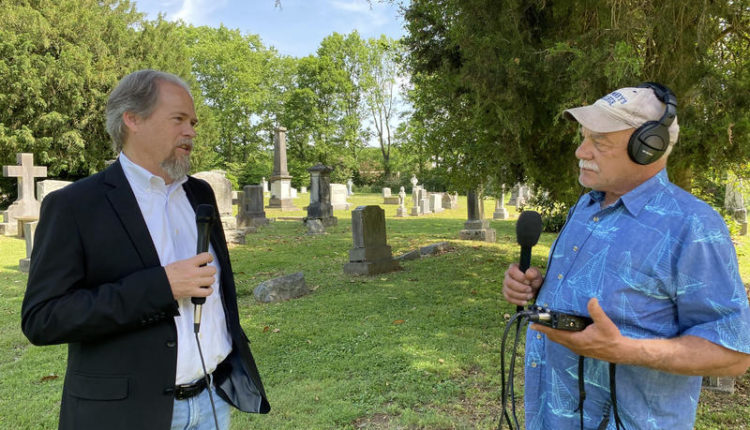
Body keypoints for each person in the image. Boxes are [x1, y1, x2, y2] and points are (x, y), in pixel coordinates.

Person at [21, 69, 270, 430]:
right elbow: (42, 319)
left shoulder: (200, 194)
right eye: (179, 119)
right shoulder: (76, 206)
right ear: (132, 119)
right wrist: (162, 287)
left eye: (194, 122)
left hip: (213, 401)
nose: (192, 132)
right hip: (128, 414)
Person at [502, 83, 750, 430]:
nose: (580, 150)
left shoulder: (692, 226)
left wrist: (626, 350)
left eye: (599, 141)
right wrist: (536, 288)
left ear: (647, 147)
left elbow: (734, 355)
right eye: (584, 136)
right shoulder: (586, 206)